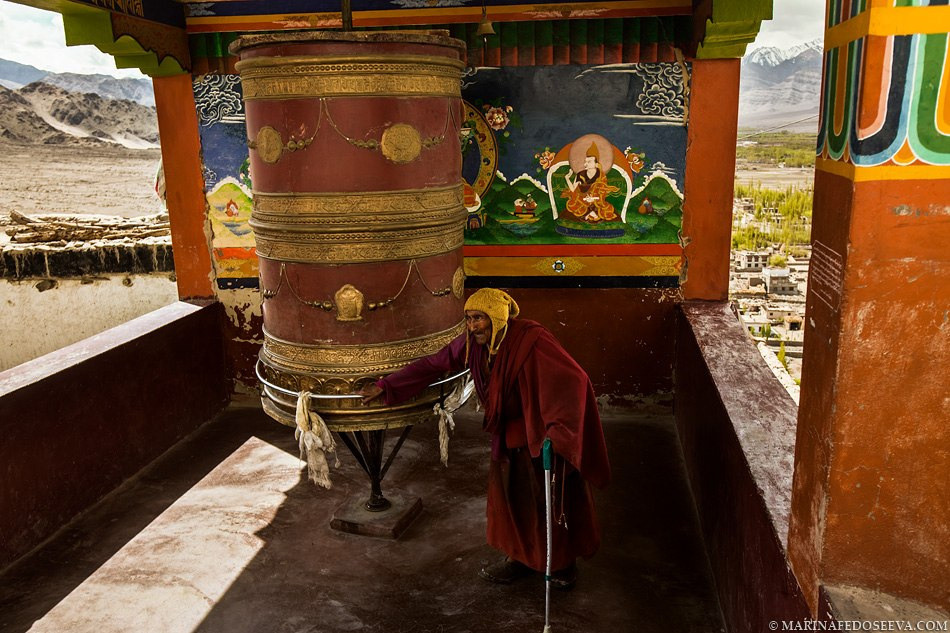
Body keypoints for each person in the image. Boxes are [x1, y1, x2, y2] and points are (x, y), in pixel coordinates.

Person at [359, 288, 610, 590]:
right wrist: (386, 386)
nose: (472, 326)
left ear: (498, 317)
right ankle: (521, 558)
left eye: (479, 318)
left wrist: (558, 430)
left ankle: (561, 564)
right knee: (511, 500)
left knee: (547, 501)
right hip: (507, 436)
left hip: (541, 434)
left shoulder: (532, 340)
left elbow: (574, 380)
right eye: (468, 319)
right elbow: (434, 365)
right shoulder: (473, 346)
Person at [562, 142, 620, 223]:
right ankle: (591, 214)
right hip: (582, 199)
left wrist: (593, 199)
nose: (586, 164)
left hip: (596, 201)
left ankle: (590, 214)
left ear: (596, 164)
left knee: (606, 209)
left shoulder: (601, 175)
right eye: (585, 161)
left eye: (589, 162)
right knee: (573, 205)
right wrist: (567, 178)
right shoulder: (580, 174)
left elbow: (602, 192)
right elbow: (573, 190)